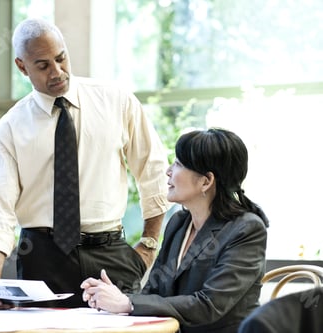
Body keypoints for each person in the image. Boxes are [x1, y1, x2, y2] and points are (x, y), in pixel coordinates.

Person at [0, 17, 170, 309]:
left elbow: (153, 170)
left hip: (111, 255)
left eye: (61, 58)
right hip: (41, 259)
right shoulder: (9, 129)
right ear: (21, 66)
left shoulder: (116, 101)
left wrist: (149, 246)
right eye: (43, 65)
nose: (57, 72)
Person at [81, 128, 269, 333]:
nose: (168, 171)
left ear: (206, 181)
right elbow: (154, 289)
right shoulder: (179, 223)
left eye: (178, 164)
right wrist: (112, 296)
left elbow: (209, 304)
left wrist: (127, 303)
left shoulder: (247, 229)